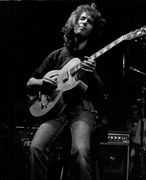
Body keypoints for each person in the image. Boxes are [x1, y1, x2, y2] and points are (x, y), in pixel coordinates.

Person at [26, 3, 107, 180]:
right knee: (35, 148)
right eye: (82, 18)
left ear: (93, 29)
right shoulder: (57, 55)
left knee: (80, 150)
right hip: (57, 112)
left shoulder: (93, 56)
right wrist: (42, 82)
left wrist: (92, 74)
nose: (85, 22)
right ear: (74, 22)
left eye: (90, 21)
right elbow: (30, 82)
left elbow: (102, 95)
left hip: (82, 110)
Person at [126, 104, 146, 180]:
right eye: (133, 113)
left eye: (136, 113)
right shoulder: (128, 124)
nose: (134, 115)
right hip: (133, 155)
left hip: (145, 154)